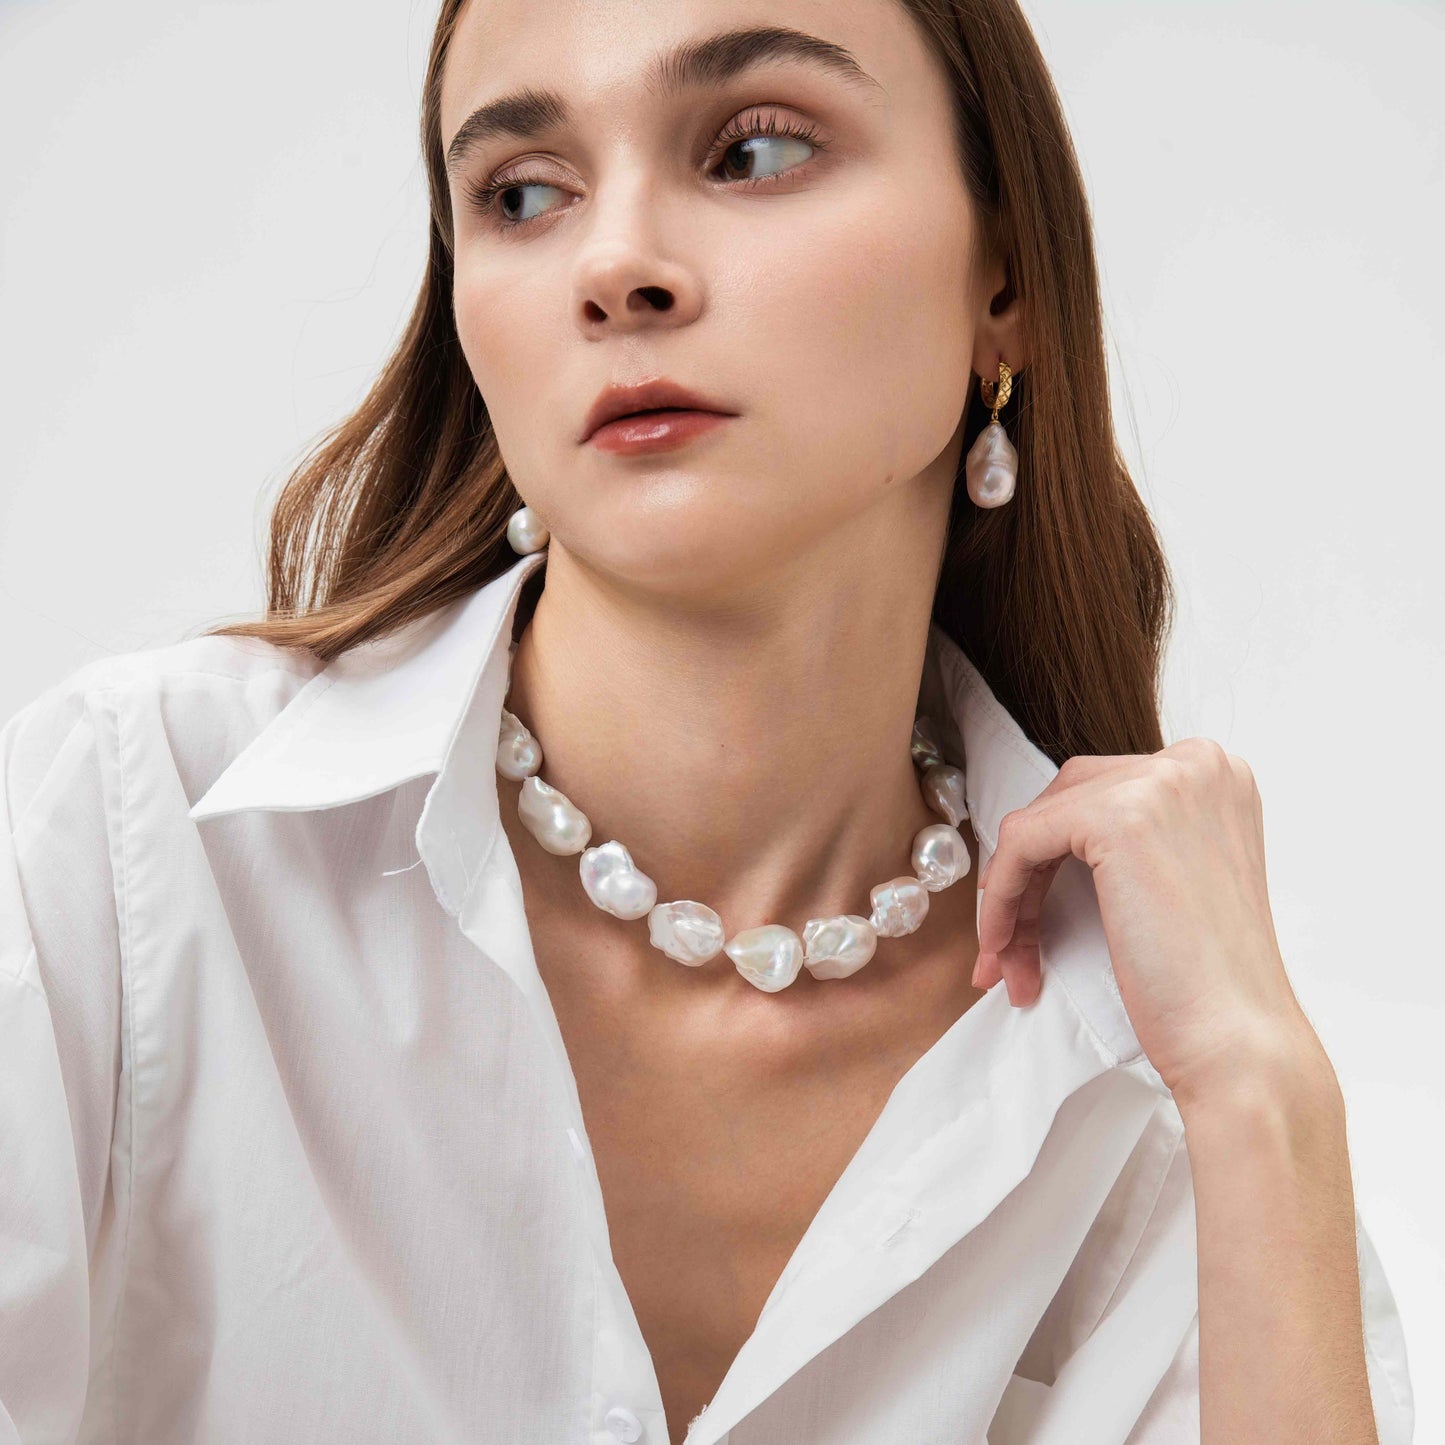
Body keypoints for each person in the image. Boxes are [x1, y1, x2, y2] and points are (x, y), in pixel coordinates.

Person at [0, 2, 1415, 1442]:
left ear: (1005, 274)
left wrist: (1264, 1091)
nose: (613, 267)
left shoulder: (1156, 1079)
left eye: (752, 152)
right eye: (522, 194)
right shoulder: (131, 854)